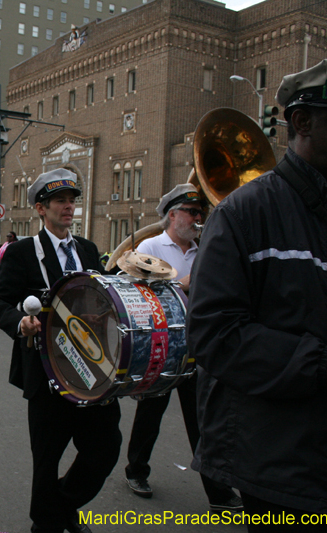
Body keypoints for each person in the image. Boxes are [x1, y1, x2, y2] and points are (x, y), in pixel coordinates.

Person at [188, 54, 327, 531]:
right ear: (301, 122)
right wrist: (323, 363)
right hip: (280, 462)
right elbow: (214, 334)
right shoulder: (243, 212)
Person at [0, 168, 121, 533]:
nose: (69, 208)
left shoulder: (89, 250)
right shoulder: (23, 252)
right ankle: (46, 524)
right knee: (47, 458)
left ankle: (61, 506)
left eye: (72, 201)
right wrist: (19, 323)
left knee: (105, 448)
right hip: (48, 371)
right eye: (60, 201)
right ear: (41, 209)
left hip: (94, 369)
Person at [122, 184, 242, 512]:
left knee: (204, 420)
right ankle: (136, 471)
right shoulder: (150, 245)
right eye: (191, 212)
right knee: (150, 414)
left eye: (200, 212)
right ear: (172, 215)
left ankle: (218, 492)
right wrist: (180, 285)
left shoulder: (205, 248)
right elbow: (136, 296)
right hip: (163, 345)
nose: (198, 217)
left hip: (198, 344)